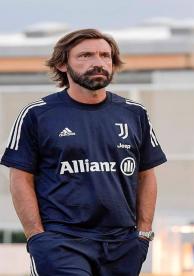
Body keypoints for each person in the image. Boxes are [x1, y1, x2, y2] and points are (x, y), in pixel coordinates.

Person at [1, 29, 166, 275]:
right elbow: (20, 177)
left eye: (105, 56)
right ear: (62, 64)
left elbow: (146, 175)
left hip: (122, 244)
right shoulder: (37, 114)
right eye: (85, 56)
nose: (98, 63)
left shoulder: (134, 113)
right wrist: (36, 235)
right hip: (61, 242)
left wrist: (143, 233)